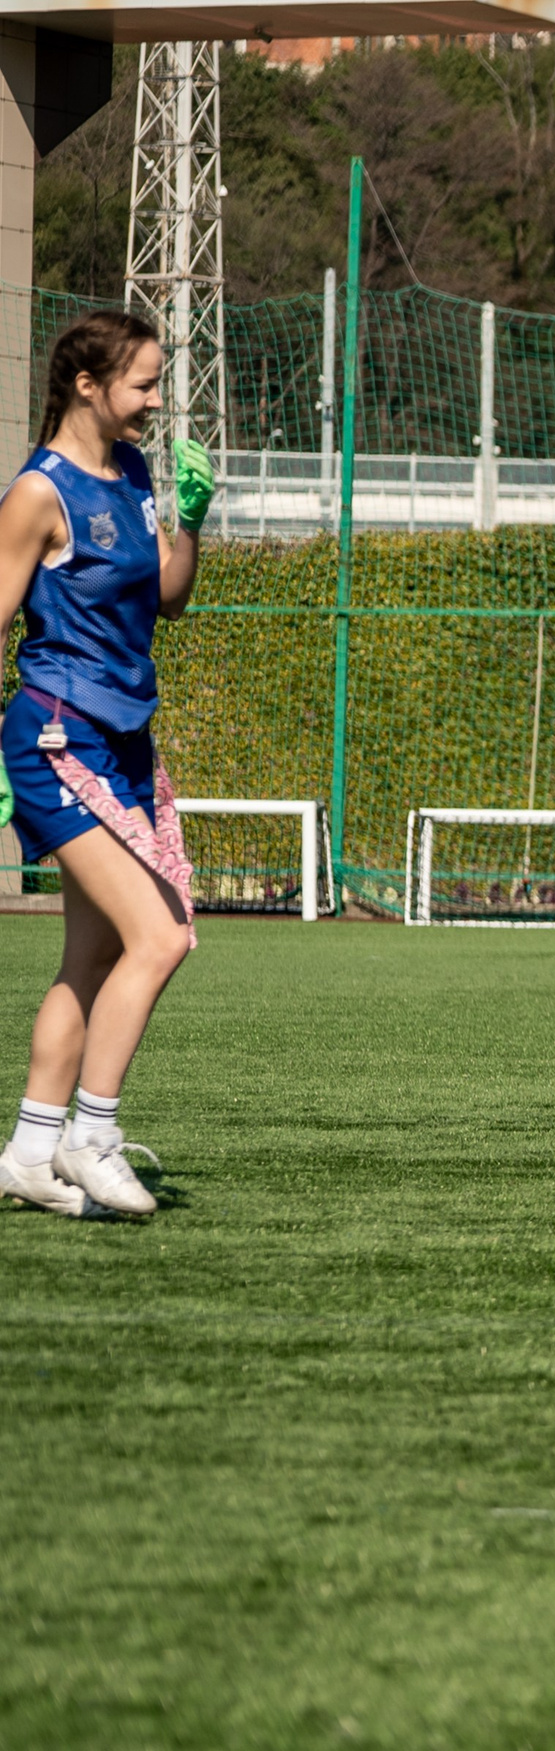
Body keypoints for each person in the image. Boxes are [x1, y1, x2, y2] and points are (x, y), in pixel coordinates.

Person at [0, 311, 217, 1220]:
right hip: (58, 741)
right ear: (88, 386)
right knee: (162, 935)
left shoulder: (130, 473)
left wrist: (191, 523)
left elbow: (166, 598)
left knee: (91, 953)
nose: (157, 402)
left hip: (124, 743)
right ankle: (94, 1136)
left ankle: (29, 1150)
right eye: (143, 385)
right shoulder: (36, 497)